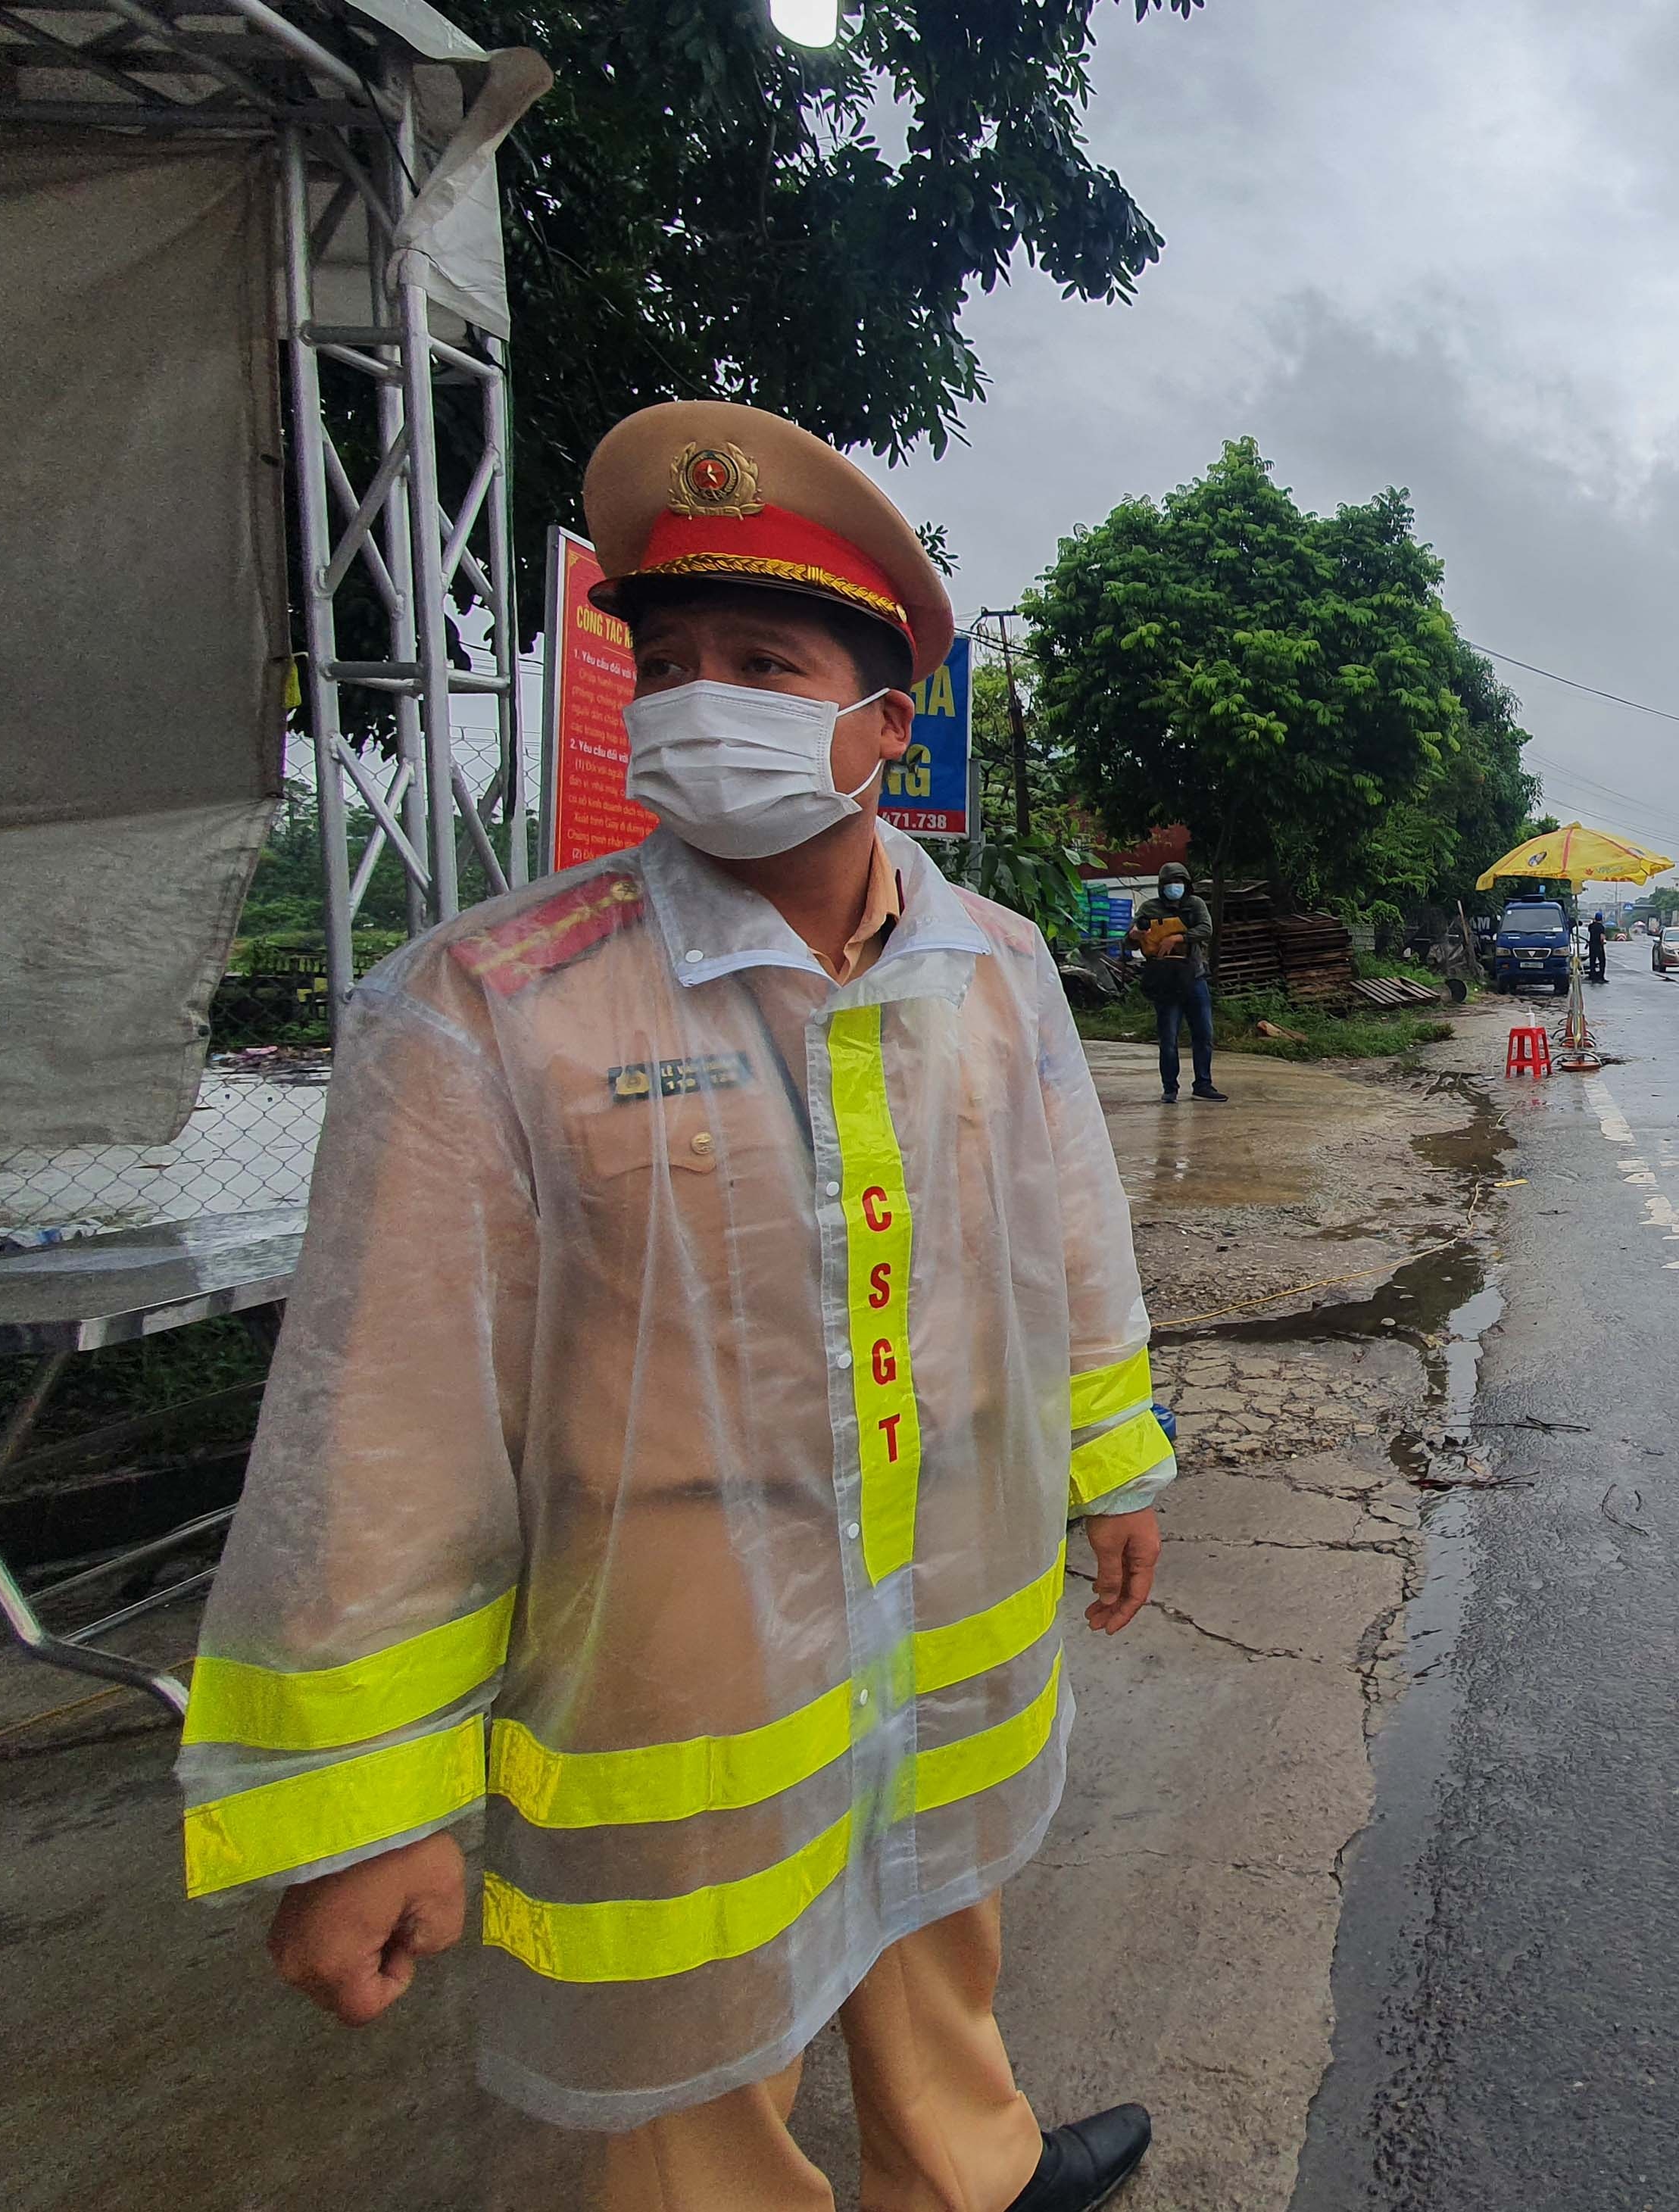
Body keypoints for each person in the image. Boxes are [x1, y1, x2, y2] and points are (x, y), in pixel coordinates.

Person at [176, 401, 1172, 2212]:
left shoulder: (1002, 971)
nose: (700, 699)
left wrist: (1118, 1458)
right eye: (674, 659)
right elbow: (383, 1427)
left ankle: (972, 2172)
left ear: (881, 721)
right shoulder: (490, 1007)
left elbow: (1066, 1237)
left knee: (934, 1882)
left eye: (763, 662)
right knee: (693, 1998)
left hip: (949, 1555)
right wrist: (366, 1802)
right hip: (668, 1634)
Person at [1126, 862, 1223, 1103]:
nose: (1174, 887)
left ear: (1186, 884)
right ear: (1161, 886)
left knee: (1203, 1034)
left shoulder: (1195, 905)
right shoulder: (1149, 908)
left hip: (1194, 976)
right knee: (1168, 1037)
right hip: (1164, 979)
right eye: (1169, 883)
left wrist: (1177, 937)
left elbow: (1206, 929)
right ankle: (1170, 1088)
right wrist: (1134, 935)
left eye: (1178, 882)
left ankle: (1203, 1084)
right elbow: (1129, 940)